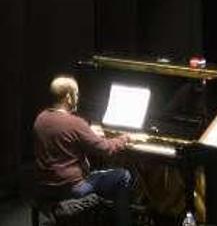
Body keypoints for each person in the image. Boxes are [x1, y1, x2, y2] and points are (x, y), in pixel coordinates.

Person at [34, 76, 144, 226]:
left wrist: (88, 132)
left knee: (100, 173)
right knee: (123, 175)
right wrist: (126, 138)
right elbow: (106, 149)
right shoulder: (75, 122)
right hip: (73, 189)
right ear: (68, 97)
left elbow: (65, 138)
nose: (78, 98)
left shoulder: (40, 118)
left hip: (46, 187)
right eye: (77, 94)